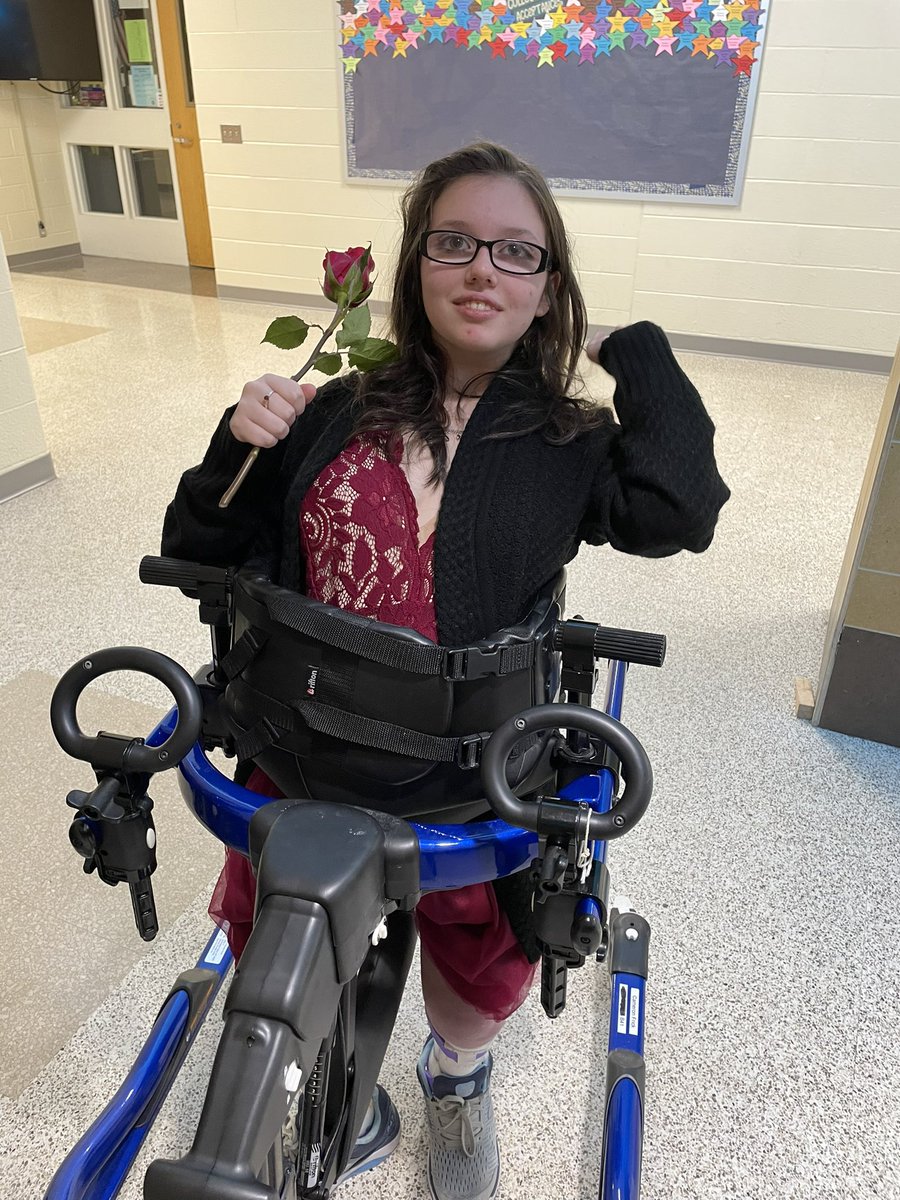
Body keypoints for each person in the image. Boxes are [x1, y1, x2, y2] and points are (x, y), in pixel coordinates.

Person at [162, 141, 729, 1200]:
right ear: (416, 263)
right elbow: (198, 547)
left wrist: (637, 353)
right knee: (261, 929)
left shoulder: (568, 438)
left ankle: (454, 1076)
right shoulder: (332, 408)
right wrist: (234, 442)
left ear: (550, 284)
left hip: (473, 781)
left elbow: (679, 509)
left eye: (518, 254)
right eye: (456, 242)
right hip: (306, 758)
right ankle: (320, 1069)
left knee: (478, 969)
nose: (483, 270)